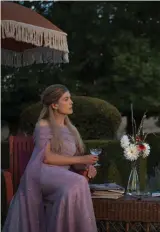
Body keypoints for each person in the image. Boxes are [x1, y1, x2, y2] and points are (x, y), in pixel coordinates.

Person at [3, 84, 99, 232]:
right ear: (54, 105)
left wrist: (87, 166)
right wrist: (81, 160)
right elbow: (46, 158)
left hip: (62, 176)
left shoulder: (71, 129)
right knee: (79, 181)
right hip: (41, 173)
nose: (71, 102)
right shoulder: (43, 124)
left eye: (70, 99)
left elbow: (74, 161)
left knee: (70, 190)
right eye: (66, 99)